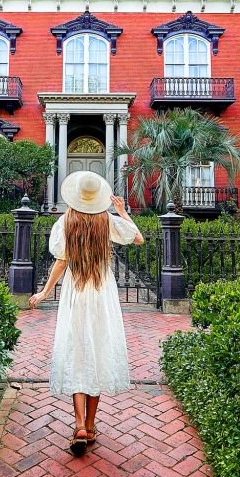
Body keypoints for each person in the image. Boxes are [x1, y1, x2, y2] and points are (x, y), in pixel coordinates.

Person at [29, 171, 145, 457]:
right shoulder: (107, 222)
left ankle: (79, 424)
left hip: (76, 292)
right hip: (102, 292)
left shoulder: (65, 222)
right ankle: (91, 426)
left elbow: (60, 262)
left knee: (77, 352)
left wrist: (44, 292)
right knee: (97, 351)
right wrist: (121, 211)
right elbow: (139, 238)